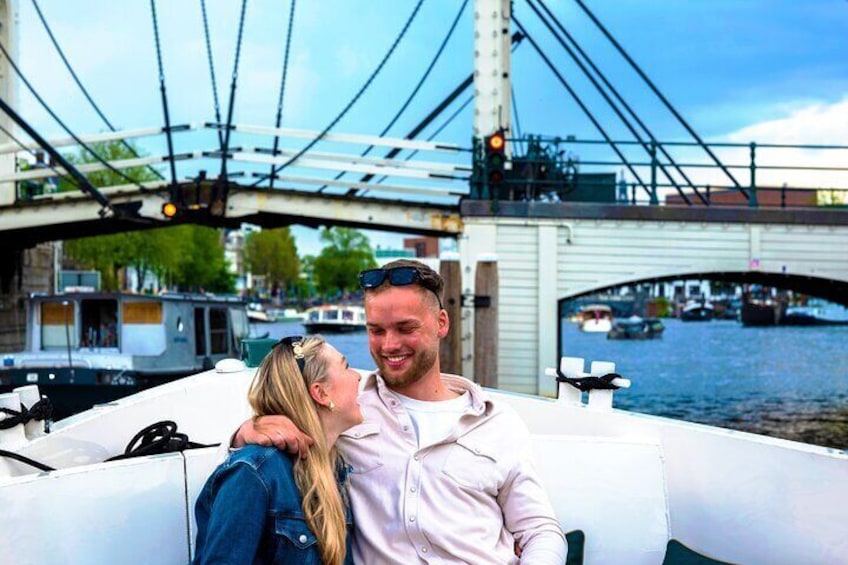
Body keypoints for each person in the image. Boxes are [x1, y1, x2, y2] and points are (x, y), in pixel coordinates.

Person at [235, 260, 566, 563]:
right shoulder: (344, 409)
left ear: (441, 323)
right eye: (376, 330)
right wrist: (245, 433)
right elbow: (267, 442)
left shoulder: (497, 422)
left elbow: (540, 531)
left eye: (405, 329)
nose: (389, 345)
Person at [194, 335, 361, 565]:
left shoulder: (334, 469)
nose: (359, 376)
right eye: (347, 367)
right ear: (321, 393)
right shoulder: (252, 474)